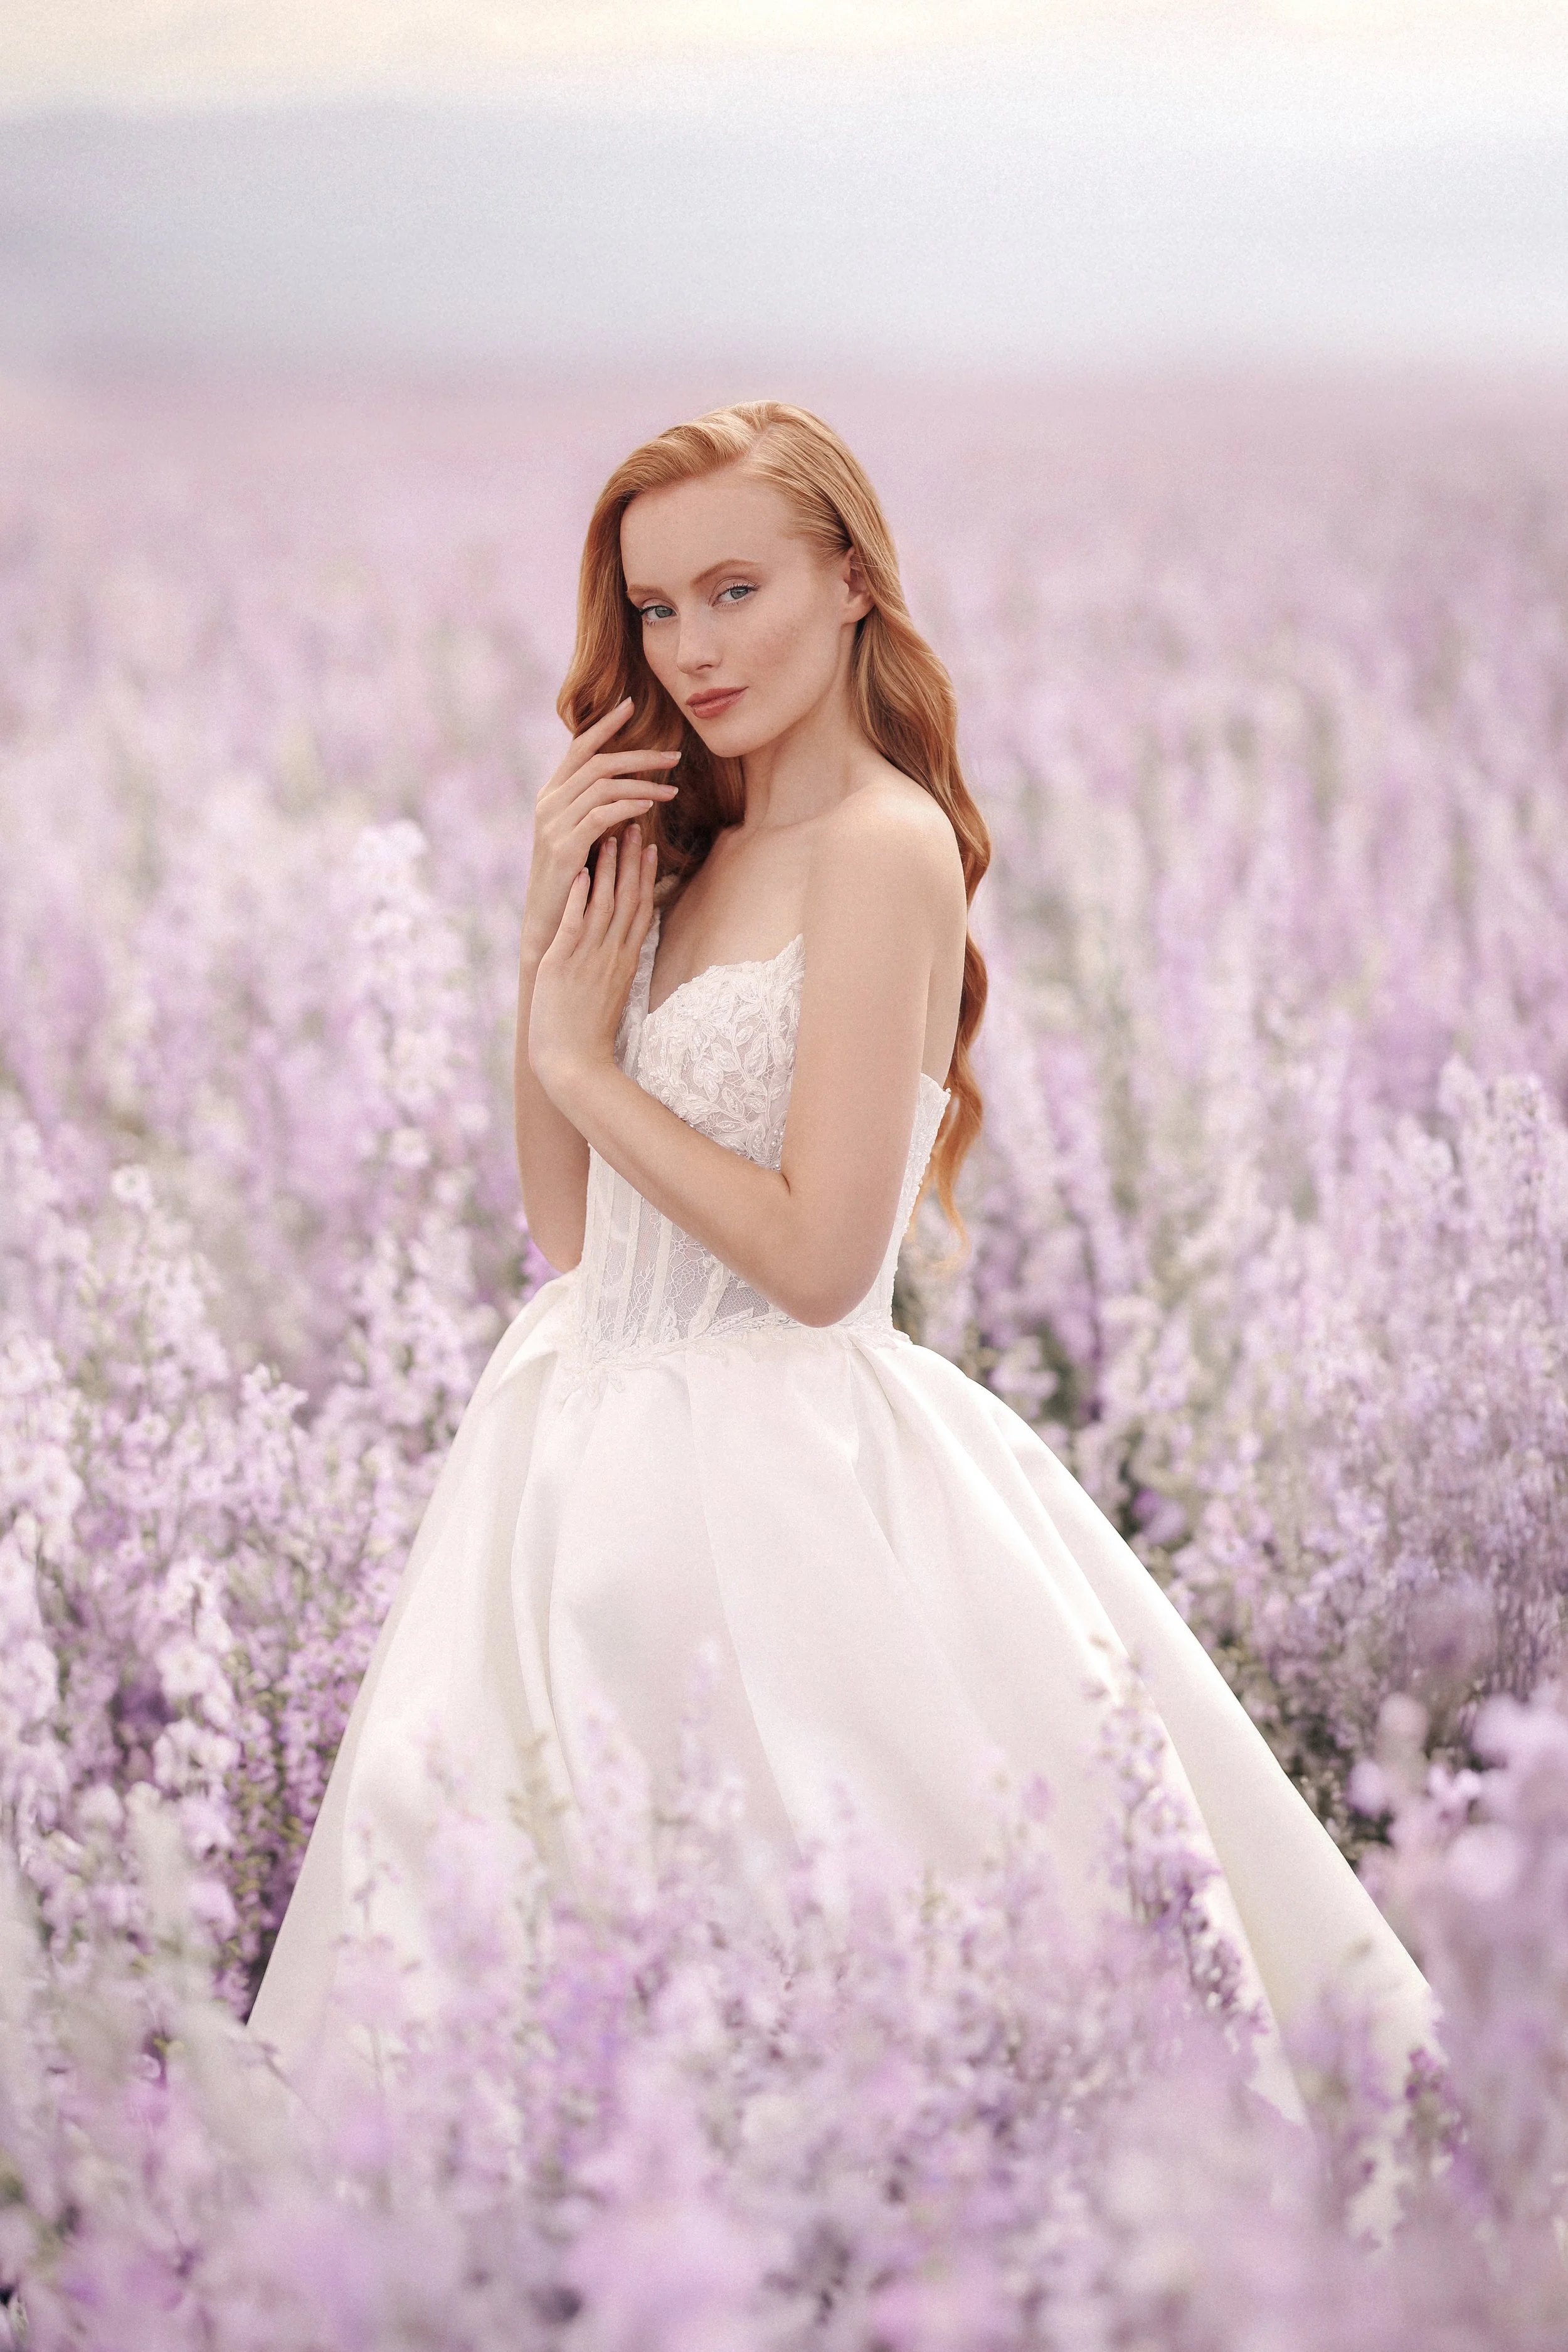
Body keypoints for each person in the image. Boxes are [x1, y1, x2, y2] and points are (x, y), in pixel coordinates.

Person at [248, 403, 1432, 2122]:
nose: (691, 647)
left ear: (854, 581)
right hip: (569, 1469)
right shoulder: (682, 844)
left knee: (827, 1981)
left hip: (781, 1494)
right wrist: (548, 932)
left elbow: (818, 1258)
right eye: (655, 608)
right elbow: (573, 1233)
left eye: (735, 588)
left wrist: (582, 1063)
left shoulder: (885, 845)